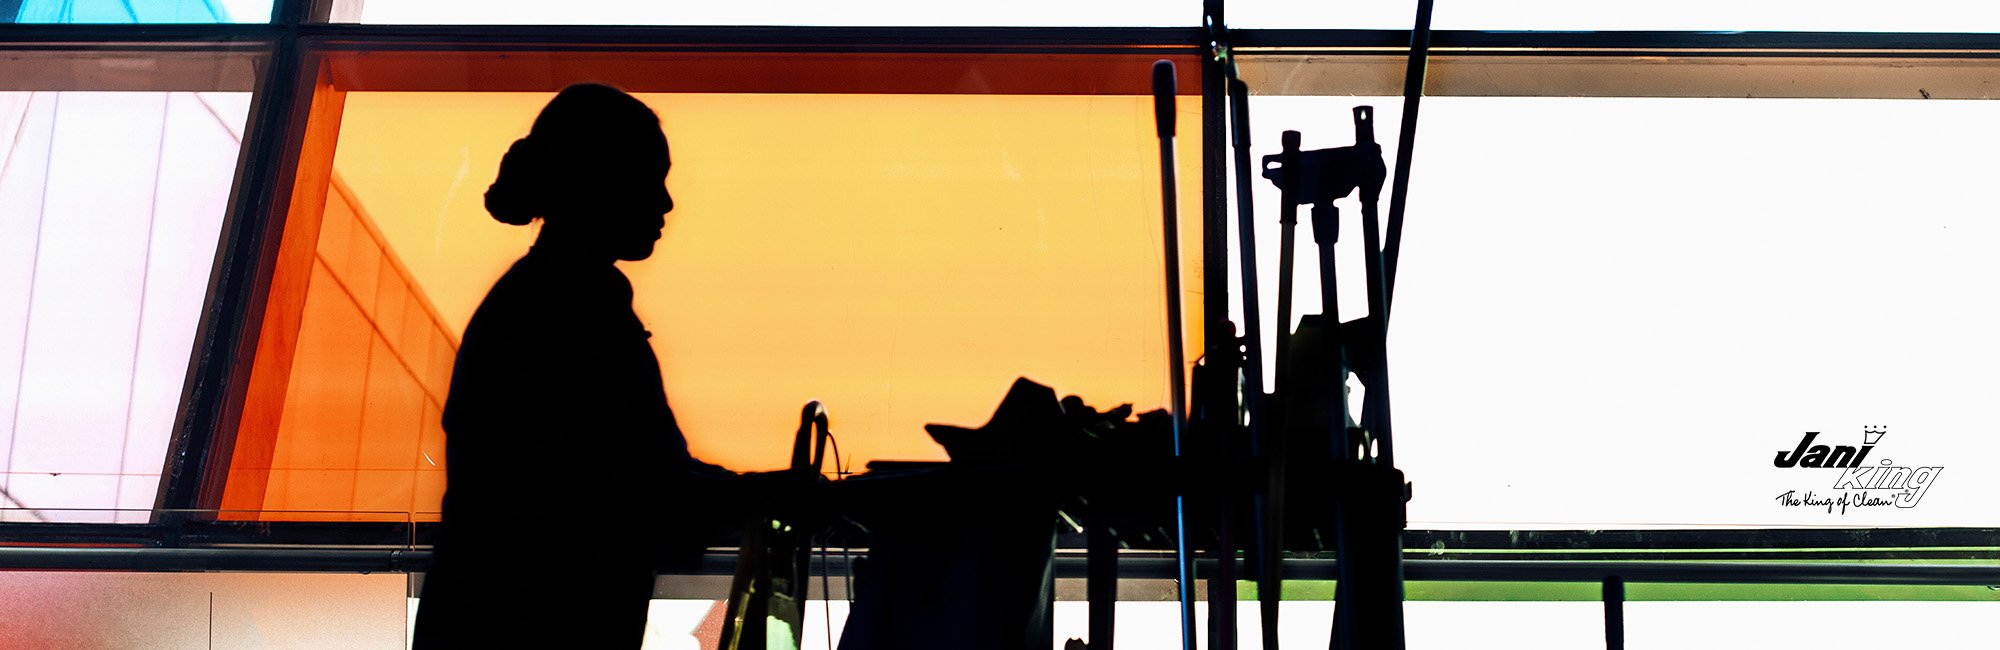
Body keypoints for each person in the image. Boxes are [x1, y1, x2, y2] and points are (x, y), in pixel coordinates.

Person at [412, 83, 730, 648]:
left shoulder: (546, 300)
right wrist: (775, 499)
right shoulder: (567, 314)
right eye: (650, 178)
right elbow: (634, 488)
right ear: (597, 182)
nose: (665, 203)